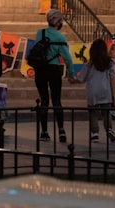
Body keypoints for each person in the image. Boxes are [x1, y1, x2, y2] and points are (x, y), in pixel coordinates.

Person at [34, 9, 75, 142]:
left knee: (44, 100)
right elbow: (67, 58)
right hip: (54, 69)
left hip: (40, 70)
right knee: (56, 100)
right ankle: (61, 131)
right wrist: (71, 73)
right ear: (58, 22)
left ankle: (44, 132)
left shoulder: (40, 33)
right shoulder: (60, 37)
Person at [77, 39, 115, 143]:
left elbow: (81, 78)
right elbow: (112, 78)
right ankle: (109, 130)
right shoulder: (108, 63)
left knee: (93, 113)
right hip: (105, 91)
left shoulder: (90, 64)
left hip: (92, 91)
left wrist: (72, 79)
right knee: (106, 113)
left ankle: (95, 133)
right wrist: (114, 97)